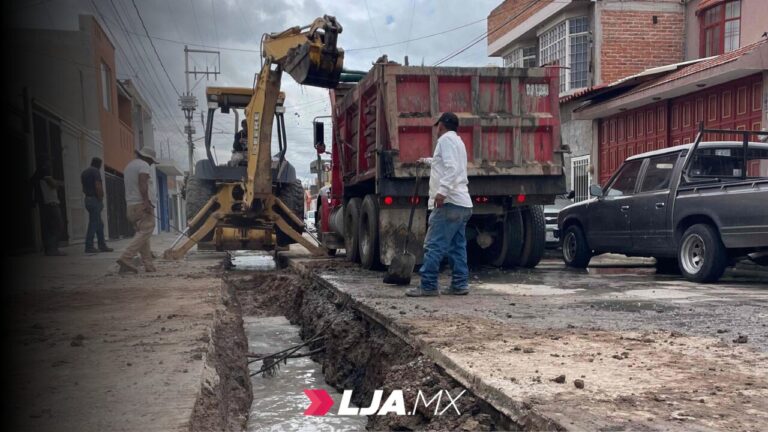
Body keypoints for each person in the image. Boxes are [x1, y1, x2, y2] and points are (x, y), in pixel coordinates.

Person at [406, 112, 473, 297]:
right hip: (463, 204)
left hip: (449, 203)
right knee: (457, 247)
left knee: (433, 245)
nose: (436, 129)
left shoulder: (444, 141)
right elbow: (447, 164)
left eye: (437, 126)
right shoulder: (458, 142)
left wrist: (441, 192)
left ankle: (427, 286)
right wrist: (427, 161)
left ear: (441, 126)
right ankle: (460, 285)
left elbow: (451, 168)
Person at [117, 148, 157, 273]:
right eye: (151, 161)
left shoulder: (129, 166)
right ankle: (126, 256)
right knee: (147, 229)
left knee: (143, 235)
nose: (151, 164)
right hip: (141, 204)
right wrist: (146, 202)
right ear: (148, 158)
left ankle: (148, 265)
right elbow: (142, 184)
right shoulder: (143, 165)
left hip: (131, 206)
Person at [32, 160, 66, 256]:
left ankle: (49, 249)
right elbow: (54, 184)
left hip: (44, 205)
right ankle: (53, 249)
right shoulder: (45, 173)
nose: (49, 165)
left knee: (48, 228)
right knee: (58, 226)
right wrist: (58, 183)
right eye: (48, 163)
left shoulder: (37, 176)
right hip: (52, 204)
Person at [81, 157, 113, 253]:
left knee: (100, 224)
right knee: (94, 223)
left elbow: (84, 188)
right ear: (99, 164)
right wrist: (100, 197)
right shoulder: (95, 171)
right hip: (94, 199)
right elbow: (98, 185)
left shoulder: (84, 172)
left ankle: (102, 245)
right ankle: (89, 246)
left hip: (87, 199)